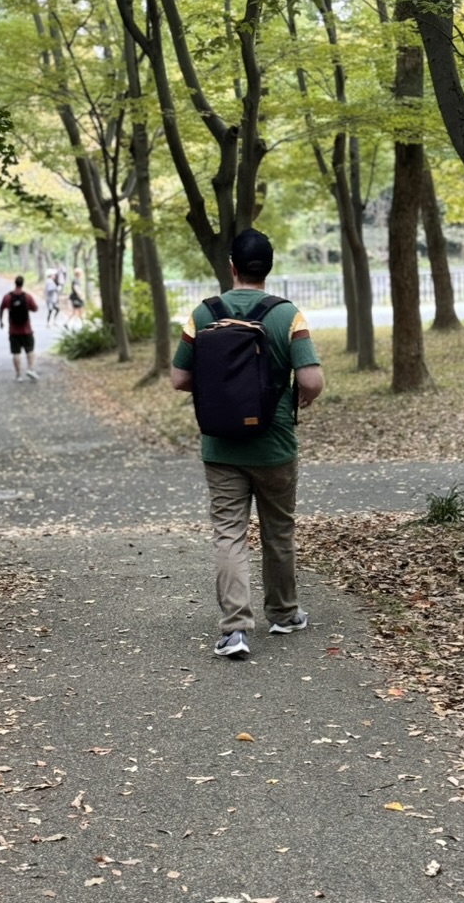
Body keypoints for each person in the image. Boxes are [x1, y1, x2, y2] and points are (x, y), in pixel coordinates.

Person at [170, 229, 323, 660]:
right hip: (274, 444)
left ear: (232, 266)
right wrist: (299, 396)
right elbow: (311, 379)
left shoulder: (202, 314)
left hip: (221, 447)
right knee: (278, 531)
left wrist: (221, 392)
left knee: (229, 534)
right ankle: (284, 613)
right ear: (268, 267)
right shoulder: (287, 315)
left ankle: (234, 630)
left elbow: (179, 378)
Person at [0, 275, 39, 381]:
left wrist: (1, 322)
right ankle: (30, 369)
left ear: (15, 283)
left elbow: (1, 308)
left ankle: (19, 375)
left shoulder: (7, 297)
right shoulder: (27, 297)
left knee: (16, 353)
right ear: (23, 283)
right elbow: (35, 308)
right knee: (30, 350)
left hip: (13, 330)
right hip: (27, 329)